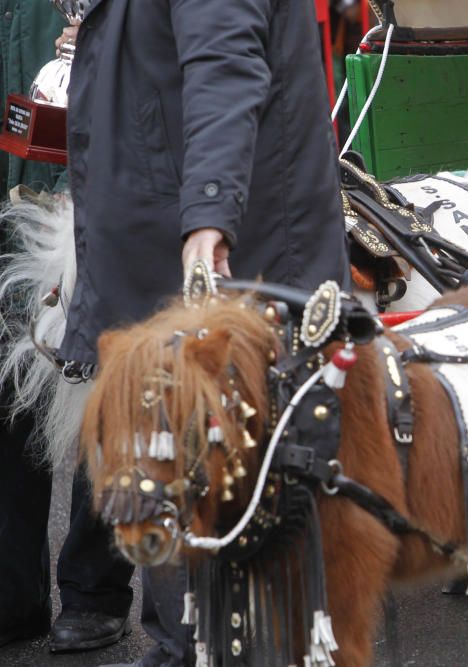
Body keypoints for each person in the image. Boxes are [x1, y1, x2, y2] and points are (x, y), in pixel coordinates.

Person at [61, 1, 349, 664]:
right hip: (174, 237)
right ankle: (185, 639)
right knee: (180, 464)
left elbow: (225, 67)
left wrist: (210, 216)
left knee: (218, 465)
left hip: (215, 248)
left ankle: (212, 644)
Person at [0, 0, 133, 653]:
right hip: (11, 166)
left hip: (100, 168)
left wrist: (119, 35)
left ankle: (95, 587)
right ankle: (11, 590)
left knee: (101, 379)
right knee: (7, 377)